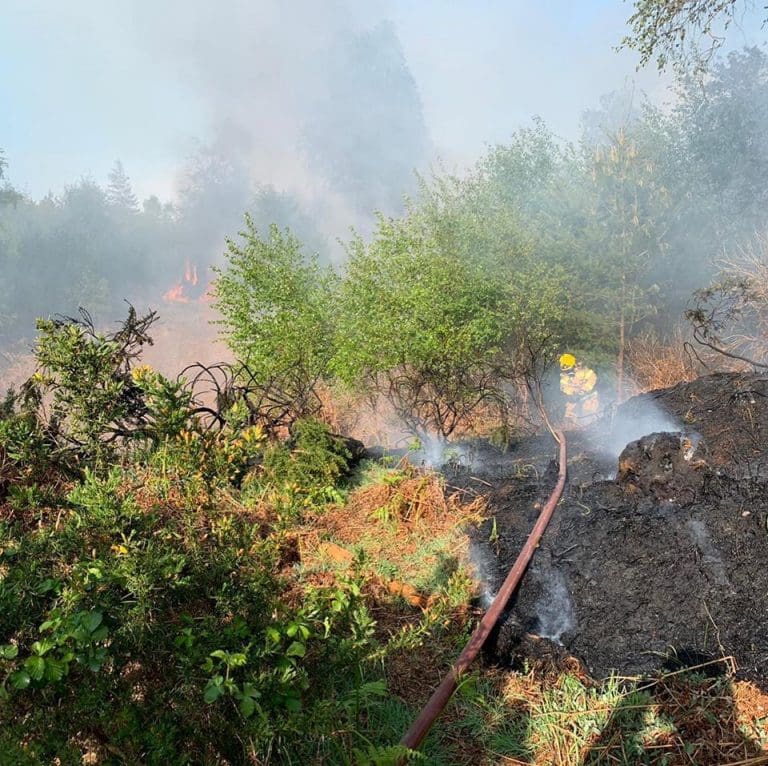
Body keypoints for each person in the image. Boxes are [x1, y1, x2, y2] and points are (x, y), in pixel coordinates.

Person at [559, 353, 599, 425]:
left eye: (570, 369)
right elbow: (564, 388)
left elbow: (591, 381)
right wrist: (573, 392)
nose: (569, 372)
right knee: (568, 414)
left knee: (590, 413)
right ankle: (571, 428)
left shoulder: (587, 372)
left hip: (589, 397)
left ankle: (592, 426)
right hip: (574, 399)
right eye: (566, 370)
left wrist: (583, 389)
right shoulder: (564, 378)